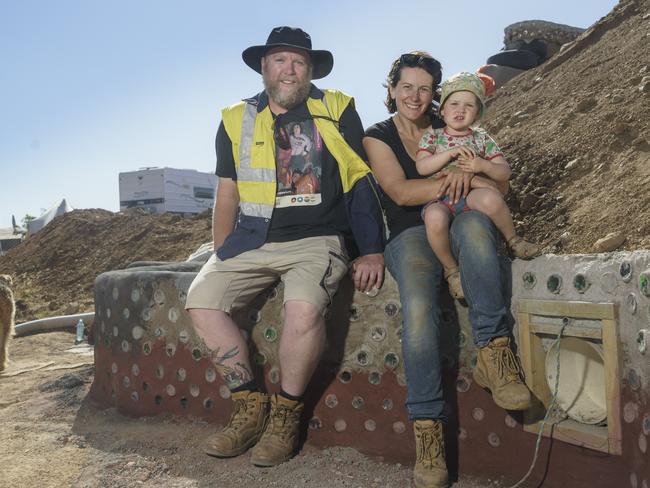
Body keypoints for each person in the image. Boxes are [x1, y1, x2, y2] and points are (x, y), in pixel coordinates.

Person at [184, 26, 384, 468]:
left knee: (304, 310)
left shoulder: (336, 107)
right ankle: (249, 406)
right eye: (280, 60)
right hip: (254, 238)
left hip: (317, 238)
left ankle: (286, 415)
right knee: (201, 300)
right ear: (264, 68)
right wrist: (220, 254)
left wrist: (370, 249)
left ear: (310, 70)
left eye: (298, 62)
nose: (289, 69)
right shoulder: (235, 117)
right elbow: (228, 192)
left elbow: (357, 179)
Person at [363, 52, 532, 488]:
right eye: (406, 87)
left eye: (424, 88)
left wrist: (475, 179)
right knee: (419, 307)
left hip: (462, 215)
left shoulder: (458, 122)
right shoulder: (378, 135)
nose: (415, 96)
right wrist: (462, 181)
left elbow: (501, 182)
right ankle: (428, 431)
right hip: (411, 231)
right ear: (391, 90)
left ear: (434, 93)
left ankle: (496, 355)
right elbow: (401, 193)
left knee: (477, 228)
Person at [415, 71, 540, 300]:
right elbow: (422, 168)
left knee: (492, 199)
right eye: (454, 103)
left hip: (472, 195)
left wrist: (482, 165)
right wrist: (450, 154)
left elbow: (504, 172)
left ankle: (513, 240)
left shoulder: (482, 138)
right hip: (440, 197)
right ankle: (451, 271)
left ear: (477, 113)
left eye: (469, 105)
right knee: (434, 219)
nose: (460, 110)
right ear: (442, 109)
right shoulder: (432, 137)